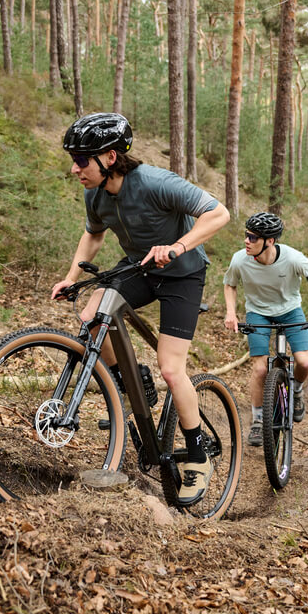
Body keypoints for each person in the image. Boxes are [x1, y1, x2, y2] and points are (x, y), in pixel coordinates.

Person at [51, 112, 230, 505]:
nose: (74, 168)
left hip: (182, 273)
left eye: (82, 160)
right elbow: (92, 235)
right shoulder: (94, 193)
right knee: (91, 319)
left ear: (110, 157)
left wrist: (179, 246)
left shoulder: (156, 182)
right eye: (74, 159)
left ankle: (198, 454)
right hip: (140, 267)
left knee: (172, 367)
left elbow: (220, 214)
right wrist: (70, 276)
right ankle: (133, 384)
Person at [222, 212, 308, 446]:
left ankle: (296, 391)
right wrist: (231, 313)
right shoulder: (239, 260)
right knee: (259, 370)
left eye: (253, 237)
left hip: (290, 311)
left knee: (305, 363)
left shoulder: (293, 258)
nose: (247, 241)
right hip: (258, 313)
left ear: (270, 241)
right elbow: (230, 284)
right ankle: (257, 422)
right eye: (246, 235)